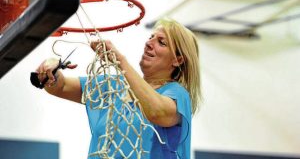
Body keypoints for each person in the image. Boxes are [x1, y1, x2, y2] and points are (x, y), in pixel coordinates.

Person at [35, 18, 202, 159]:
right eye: (151, 37)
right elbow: (61, 86)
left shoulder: (177, 94)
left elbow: (156, 112)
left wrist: (120, 60)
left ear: (178, 60)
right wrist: (51, 68)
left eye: (161, 42)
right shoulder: (114, 86)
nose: (149, 43)